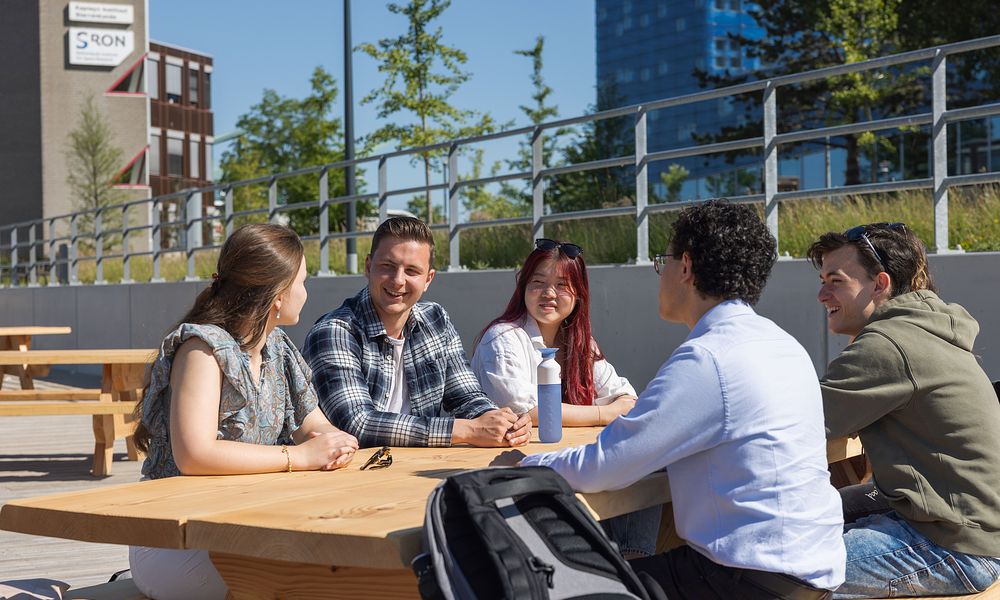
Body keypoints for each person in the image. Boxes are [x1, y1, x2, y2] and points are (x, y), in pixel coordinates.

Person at [514, 200, 846, 599]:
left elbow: (607, 465)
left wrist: (526, 464)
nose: (661, 273)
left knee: (548, 586)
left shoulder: (709, 357)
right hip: (811, 574)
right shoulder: (781, 343)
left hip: (745, 579)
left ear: (685, 267)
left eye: (663, 261)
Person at [128, 223, 360, 600]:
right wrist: (299, 457)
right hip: (174, 538)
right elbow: (194, 455)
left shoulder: (277, 347)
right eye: (302, 282)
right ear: (278, 296)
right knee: (313, 573)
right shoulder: (203, 350)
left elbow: (312, 424)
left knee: (341, 560)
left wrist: (333, 443)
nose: (307, 292)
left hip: (242, 525)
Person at [808, 222, 1000, 599]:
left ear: (879, 284)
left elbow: (791, 423)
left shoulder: (887, 345)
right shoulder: (929, 327)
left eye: (835, 281)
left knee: (779, 571)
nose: (821, 294)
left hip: (956, 547)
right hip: (975, 531)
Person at [471, 238, 658, 557]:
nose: (549, 293)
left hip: (563, 461)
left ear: (579, 293)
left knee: (645, 460)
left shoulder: (581, 341)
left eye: (562, 284)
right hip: (510, 467)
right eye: (538, 283)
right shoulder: (503, 338)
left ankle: (634, 563)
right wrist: (603, 413)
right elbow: (527, 411)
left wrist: (605, 409)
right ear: (523, 287)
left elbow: (627, 398)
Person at [303, 216, 531, 448]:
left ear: (428, 279)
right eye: (387, 267)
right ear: (368, 267)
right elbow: (357, 423)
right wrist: (464, 429)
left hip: (415, 464)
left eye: (411, 271)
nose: (398, 280)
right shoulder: (334, 331)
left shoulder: (435, 320)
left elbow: (467, 396)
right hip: (348, 473)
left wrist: (503, 423)